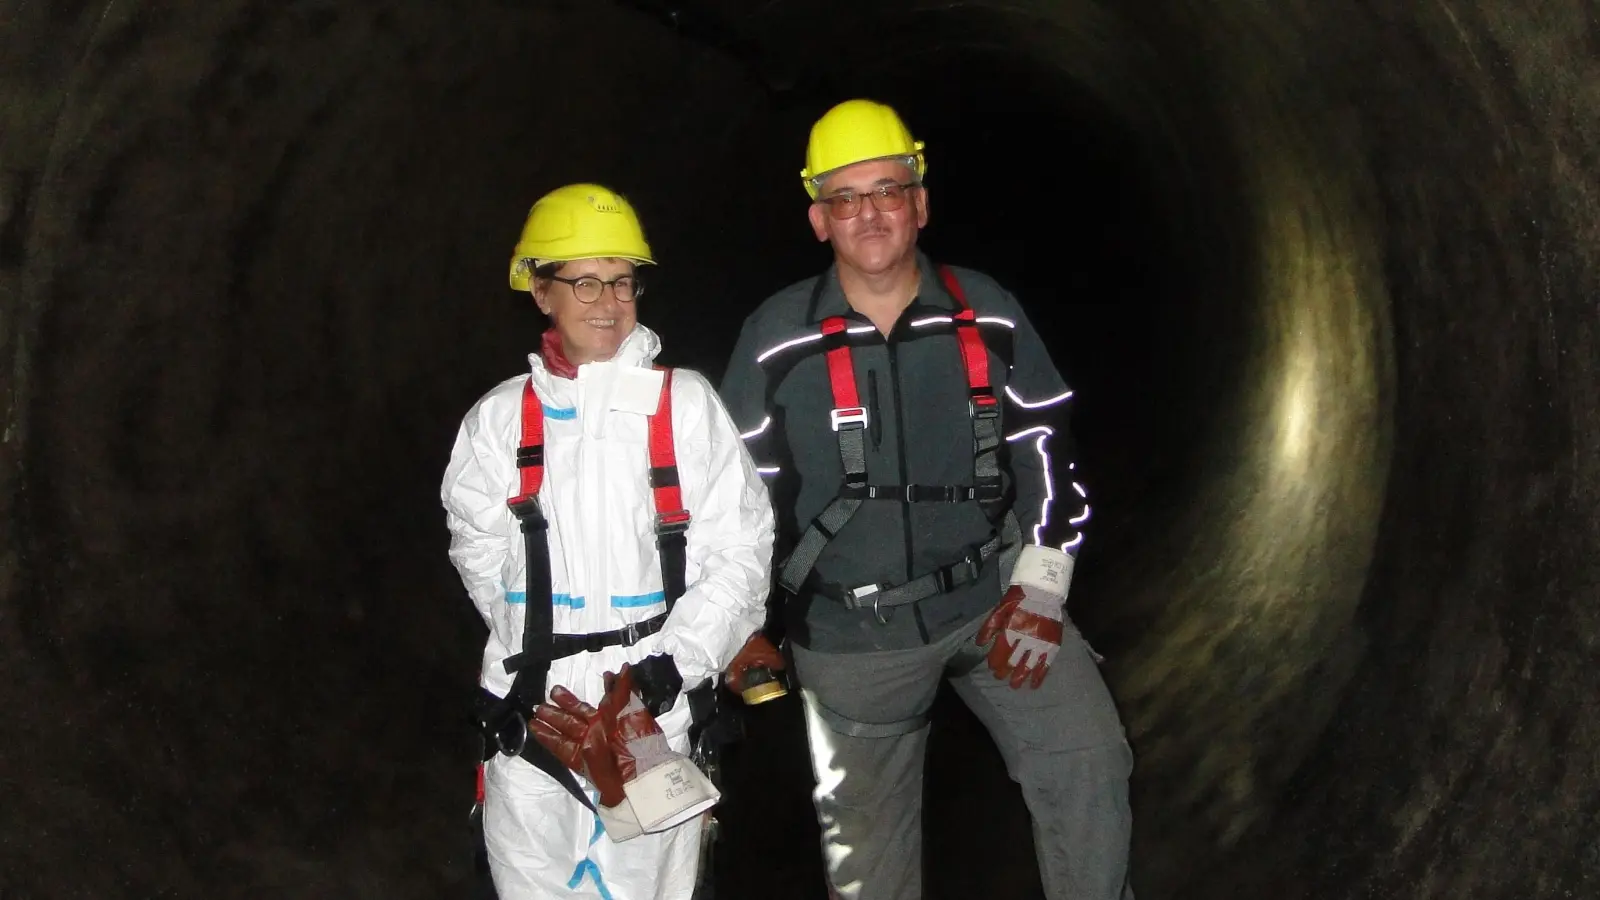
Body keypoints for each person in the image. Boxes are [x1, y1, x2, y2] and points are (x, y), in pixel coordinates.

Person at [718, 99, 1136, 900]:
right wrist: (740, 622)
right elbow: (733, 496)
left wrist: (1042, 583)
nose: (869, 213)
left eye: (888, 190)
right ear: (819, 220)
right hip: (849, 635)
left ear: (920, 203)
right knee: (868, 870)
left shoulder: (987, 310)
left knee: (1089, 763)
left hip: (995, 602)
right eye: (845, 198)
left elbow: (1045, 444)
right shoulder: (775, 337)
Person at [441, 182, 779, 900]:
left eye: (623, 281)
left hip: (653, 715)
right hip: (532, 719)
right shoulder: (499, 420)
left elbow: (741, 556)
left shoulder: (684, 405)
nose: (609, 301)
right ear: (541, 292)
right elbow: (476, 548)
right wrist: (532, 652)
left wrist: (663, 673)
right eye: (585, 282)